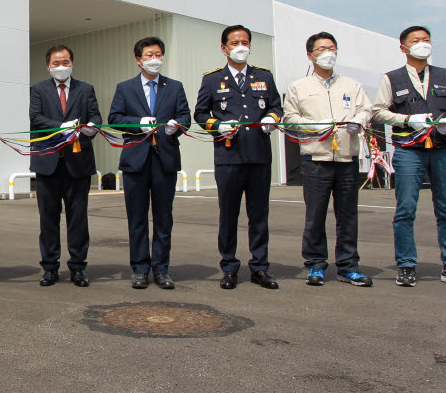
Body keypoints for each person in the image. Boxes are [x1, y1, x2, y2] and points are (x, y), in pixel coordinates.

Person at [372, 25, 446, 288]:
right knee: (405, 209)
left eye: (426, 39)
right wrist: (408, 118)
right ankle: (406, 265)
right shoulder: (391, 78)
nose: (423, 44)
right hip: (409, 150)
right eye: (416, 40)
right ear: (403, 47)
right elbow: (378, 112)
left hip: (442, 149)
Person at [194, 24, 283, 291]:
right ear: (224, 48)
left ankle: (260, 267)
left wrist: (271, 118)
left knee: (259, 216)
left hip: (258, 156)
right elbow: (200, 113)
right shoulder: (212, 79)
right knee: (229, 215)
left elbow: (277, 105)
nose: (240, 47)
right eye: (234, 43)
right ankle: (229, 267)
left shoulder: (264, 76)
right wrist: (216, 125)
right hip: (228, 156)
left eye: (244, 42)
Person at [282, 33, 373, 287]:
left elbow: (366, 109)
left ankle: (348, 265)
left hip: (346, 158)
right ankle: (315, 264)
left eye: (331, 48)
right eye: (321, 49)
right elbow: (289, 118)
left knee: (348, 215)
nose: (327, 53)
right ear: (310, 55)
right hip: (316, 158)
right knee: (315, 214)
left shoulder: (351, 86)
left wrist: (360, 120)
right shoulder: (299, 87)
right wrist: (315, 125)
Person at [107, 36, 191, 290]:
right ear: (138, 60)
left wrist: (177, 127)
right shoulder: (125, 87)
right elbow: (115, 118)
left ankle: (162, 269)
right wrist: (137, 123)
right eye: (149, 55)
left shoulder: (174, 87)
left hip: (165, 159)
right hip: (136, 160)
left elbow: (185, 115)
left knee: (164, 218)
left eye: (158, 55)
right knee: (137, 218)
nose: (154, 60)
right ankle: (140, 268)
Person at [29, 44, 102, 287]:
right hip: (48, 163)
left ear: (72, 63)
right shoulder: (38, 89)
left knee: (78, 219)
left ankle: (78, 267)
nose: (61, 66)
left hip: (77, 164)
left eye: (66, 62)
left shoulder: (86, 89)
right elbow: (35, 117)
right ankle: (49, 267)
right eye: (56, 63)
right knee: (48, 219)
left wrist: (90, 129)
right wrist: (59, 126)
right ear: (48, 66)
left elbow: (96, 118)